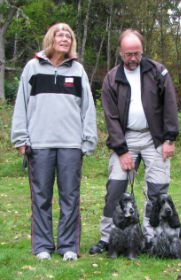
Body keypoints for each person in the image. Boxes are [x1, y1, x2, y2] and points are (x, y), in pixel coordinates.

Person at [11, 23, 97, 261]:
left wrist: (88, 140)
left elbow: (88, 108)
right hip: (39, 144)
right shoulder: (32, 67)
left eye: (68, 35)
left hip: (71, 145)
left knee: (70, 197)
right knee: (41, 198)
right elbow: (22, 105)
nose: (64, 38)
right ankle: (42, 247)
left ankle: (68, 246)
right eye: (60, 35)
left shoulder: (78, 70)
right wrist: (21, 138)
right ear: (50, 39)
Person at [89, 29, 179, 255]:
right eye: (128, 54)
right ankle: (108, 237)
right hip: (125, 138)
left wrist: (169, 139)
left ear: (142, 51)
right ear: (120, 52)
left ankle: (152, 239)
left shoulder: (158, 71)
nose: (133, 58)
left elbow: (170, 105)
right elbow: (110, 117)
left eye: (137, 53)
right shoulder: (112, 78)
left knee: (158, 191)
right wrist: (121, 150)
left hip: (155, 137)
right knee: (116, 188)